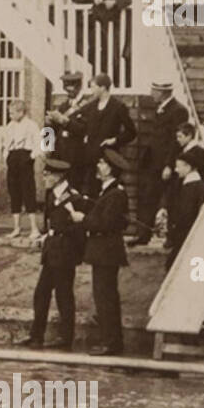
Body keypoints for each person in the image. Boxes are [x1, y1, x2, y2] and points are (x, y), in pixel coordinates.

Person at [17, 157, 85, 349]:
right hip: (52, 250)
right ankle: (36, 336)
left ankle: (66, 339)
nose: (44, 177)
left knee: (64, 296)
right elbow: (51, 224)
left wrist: (74, 254)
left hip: (64, 252)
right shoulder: (51, 195)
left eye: (47, 174)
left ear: (58, 177)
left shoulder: (73, 197)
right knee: (41, 293)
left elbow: (77, 229)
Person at [82, 150, 130, 356]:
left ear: (111, 169)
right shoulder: (107, 191)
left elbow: (106, 223)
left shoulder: (116, 193)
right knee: (103, 296)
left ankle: (111, 342)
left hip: (107, 251)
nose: (98, 166)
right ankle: (109, 340)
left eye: (102, 164)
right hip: (102, 251)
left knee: (106, 297)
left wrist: (82, 220)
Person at [132, 81, 191, 245]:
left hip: (166, 165)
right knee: (149, 197)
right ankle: (144, 235)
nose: (151, 93)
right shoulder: (161, 108)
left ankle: (172, 238)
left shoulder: (178, 110)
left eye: (154, 90)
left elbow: (175, 141)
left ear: (163, 92)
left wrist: (169, 165)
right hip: (154, 163)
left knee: (171, 200)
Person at [74, 73, 136, 193]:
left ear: (102, 88)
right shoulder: (90, 106)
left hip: (108, 157)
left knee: (107, 191)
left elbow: (131, 132)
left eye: (93, 87)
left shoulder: (118, 107)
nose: (91, 90)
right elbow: (79, 121)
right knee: (91, 190)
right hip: (91, 157)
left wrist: (115, 140)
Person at [1, 99, 42, 239]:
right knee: (14, 192)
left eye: (12, 113)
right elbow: (6, 144)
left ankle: (34, 228)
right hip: (13, 158)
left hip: (25, 158)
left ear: (21, 112)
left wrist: (31, 156)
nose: (10, 115)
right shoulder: (10, 126)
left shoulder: (31, 125)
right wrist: (6, 156)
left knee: (28, 191)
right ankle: (16, 227)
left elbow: (38, 144)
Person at [165, 147, 204, 270]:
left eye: (178, 167)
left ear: (188, 167)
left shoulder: (191, 186)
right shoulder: (195, 184)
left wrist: (173, 230)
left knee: (173, 266)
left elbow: (186, 214)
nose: (176, 170)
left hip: (186, 234)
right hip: (188, 233)